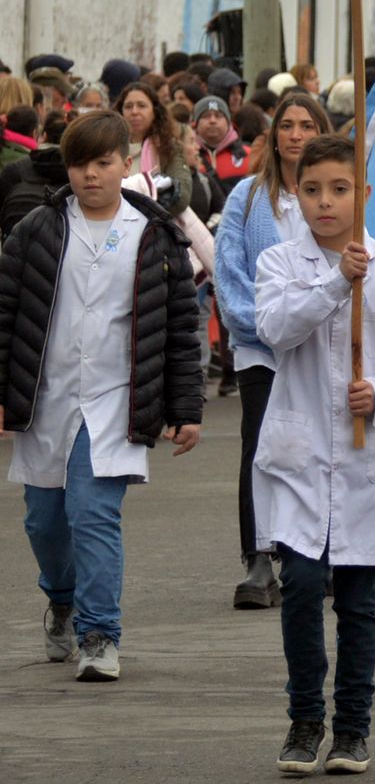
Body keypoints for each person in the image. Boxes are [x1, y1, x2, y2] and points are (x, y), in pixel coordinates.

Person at [252, 134, 375, 775]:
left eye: (339, 189)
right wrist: (338, 282)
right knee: (303, 585)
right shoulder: (280, 263)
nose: (325, 203)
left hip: (369, 458)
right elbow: (276, 329)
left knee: (359, 600)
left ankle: (353, 730)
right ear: (296, 195)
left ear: (361, 194)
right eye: (312, 191)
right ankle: (304, 720)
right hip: (300, 453)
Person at [0, 110, 202, 682]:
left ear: (126, 163)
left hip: (115, 399)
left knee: (92, 513)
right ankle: (61, 599)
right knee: (44, 521)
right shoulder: (36, 229)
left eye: (103, 162)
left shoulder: (157, 235)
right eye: (80, 164)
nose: (91, 175)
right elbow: (6, 314)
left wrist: (185, 409)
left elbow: (181, 329)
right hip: (47, 396)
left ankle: (98, 633)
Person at [215, 94, 332, 608]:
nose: (296, 134)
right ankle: (259, 557)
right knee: (262, 448)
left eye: (307, 125)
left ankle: (315, 551)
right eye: (286, 125)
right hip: (261, 347)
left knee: (317, 448)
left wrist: (312, 322)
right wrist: (263, 325)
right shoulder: (247, 197)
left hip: (319, 344)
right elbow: (229, 273)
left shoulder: (337, 196)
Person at [116, 82, 192, 218]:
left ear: (154, 111)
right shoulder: (109, 147)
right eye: (128, 106)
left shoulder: (167, 148)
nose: (134, 112)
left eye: (142, 106)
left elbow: (182, 195)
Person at [193, 95, 253, 195]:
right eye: (206, 116)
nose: (212, 120)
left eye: (218, 115)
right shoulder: (186, 157)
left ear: (229, 123)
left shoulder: (249, 155)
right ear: (195, 124)